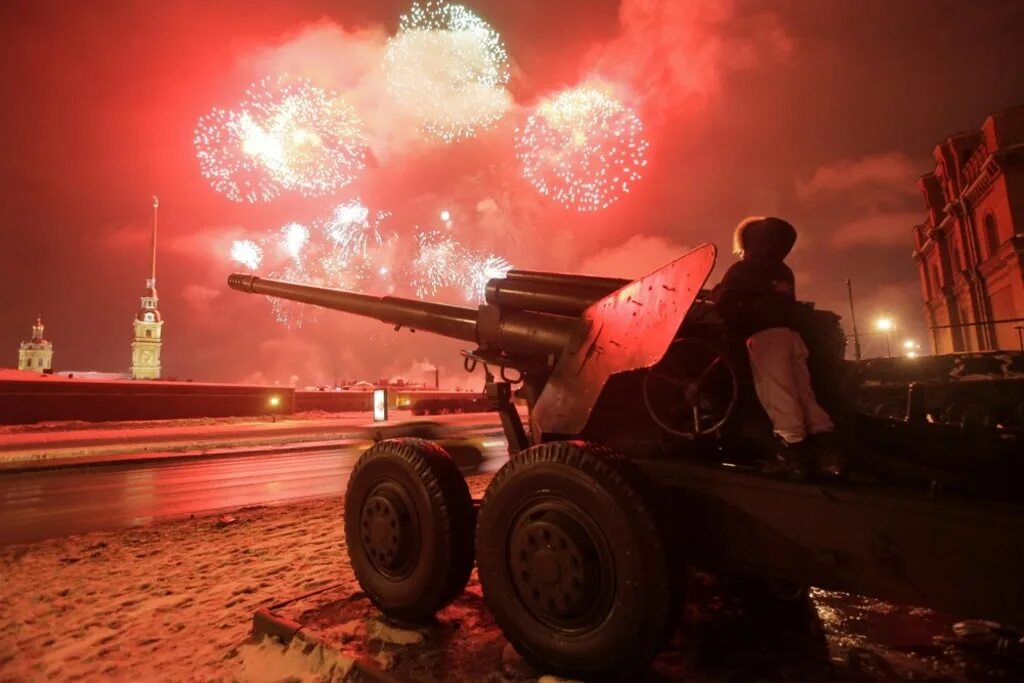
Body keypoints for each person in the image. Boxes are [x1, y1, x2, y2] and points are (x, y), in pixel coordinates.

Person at [710, 216, 840, 479]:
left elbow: (726, 300)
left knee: (777, 394)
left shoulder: (743, 270)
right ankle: (827, 453)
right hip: (792, 337)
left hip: (766, 339)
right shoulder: (782, 270)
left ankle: (791, 456)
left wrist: (718, 295)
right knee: (804, 393)